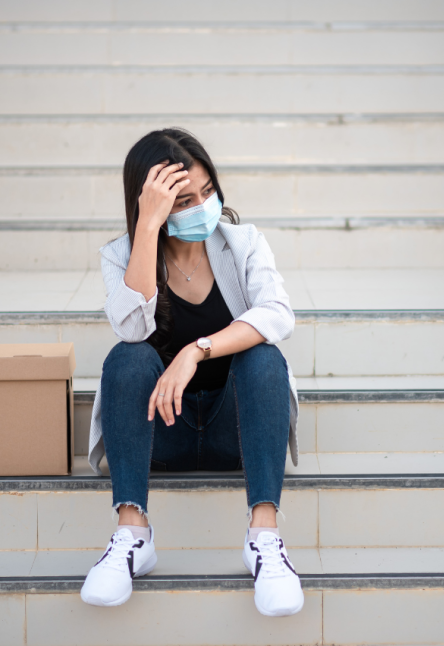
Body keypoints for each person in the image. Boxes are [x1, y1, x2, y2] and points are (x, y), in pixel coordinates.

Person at [80, 129, 304, 617]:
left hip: (236, 432)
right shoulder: (121, 255)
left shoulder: (242, 243)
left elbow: (278, 314)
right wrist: (145, 230)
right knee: (128, 356)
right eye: (183, 199)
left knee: (263, 355)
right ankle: (132, 535)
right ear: (153, 204)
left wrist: (195, 351)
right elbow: (130, 324)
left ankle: (264, 539)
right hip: (162, 434)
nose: (202, 206)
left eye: (208, 193)